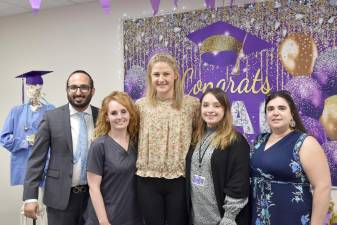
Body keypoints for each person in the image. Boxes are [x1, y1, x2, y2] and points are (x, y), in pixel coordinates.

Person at [23, 70, 99, 225]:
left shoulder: (103, 117)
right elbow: (36, 160)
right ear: (67, 90)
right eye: (73, 87)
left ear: (92, 91)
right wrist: (30, 197)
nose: (78, 92)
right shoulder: (51, 118)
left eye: (84, 87)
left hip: (95, 198)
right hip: (60, 199)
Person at [136, 53, 200, 225]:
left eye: (166, 74)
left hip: (179, 179)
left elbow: (200, 137)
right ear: (150, 77)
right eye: (156, 74)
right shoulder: (140, 106)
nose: (161, 79)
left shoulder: (192, 105)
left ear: (175, 75)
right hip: (147, 179)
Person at [250, 90, 331, 225]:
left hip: (292, 218)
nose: (275, 113)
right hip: (259, 218)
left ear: (291, 114)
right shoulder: (259, 140)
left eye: (281, 108)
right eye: (270, 109)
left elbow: (322, 186)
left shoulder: (305, 142)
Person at [186, 88, 251, 225]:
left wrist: (229, 217)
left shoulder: (236, 141)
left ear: (225, 110)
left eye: (216, 106)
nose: (210, 110)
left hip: (222, 218)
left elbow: (239, 181)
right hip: (196, 216)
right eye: (206, 105)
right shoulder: (196, 137)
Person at [83, 91, 142, 225]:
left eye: (123, 111)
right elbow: (93, 187)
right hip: (105, 217)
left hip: (133, 216)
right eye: (114, 113)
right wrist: (104, 221)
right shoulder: (99, 145)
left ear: (130, 114)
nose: (120, 117)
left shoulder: (137, 143)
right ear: (106, 117)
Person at [1, 70, 54, 186]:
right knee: (29, 199)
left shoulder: (51, 110)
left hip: (46, 160)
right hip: (23, 161)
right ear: (25, 89)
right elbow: (4, 138)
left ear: (41, 88)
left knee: (46, 198)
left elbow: (59, 137)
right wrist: (25, 142)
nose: (34, 90)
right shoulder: (16, 112)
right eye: (30, 87)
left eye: (37, 87)